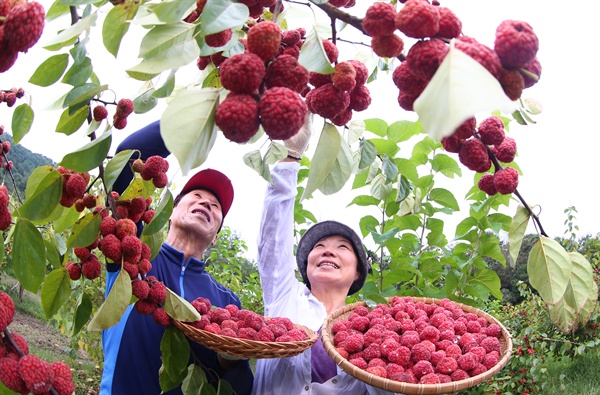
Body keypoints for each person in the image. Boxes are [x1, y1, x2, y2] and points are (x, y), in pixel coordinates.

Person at [100, 120, 253, 395]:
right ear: (169, 211)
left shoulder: (227, 302)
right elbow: (127, 157)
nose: (206, 203)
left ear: (216, 235)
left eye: (216, 206)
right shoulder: (135, 253)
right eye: (196, 195)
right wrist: (204, 116)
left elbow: (237, 388)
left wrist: (231, 359)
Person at [252, 115, 397, 395]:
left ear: (357, 272)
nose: (328, 249)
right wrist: (291, 156)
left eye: (343, 247)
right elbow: (273, 240)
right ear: (305, 266)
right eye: (319, 247)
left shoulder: (370, 328)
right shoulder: (285, 297)